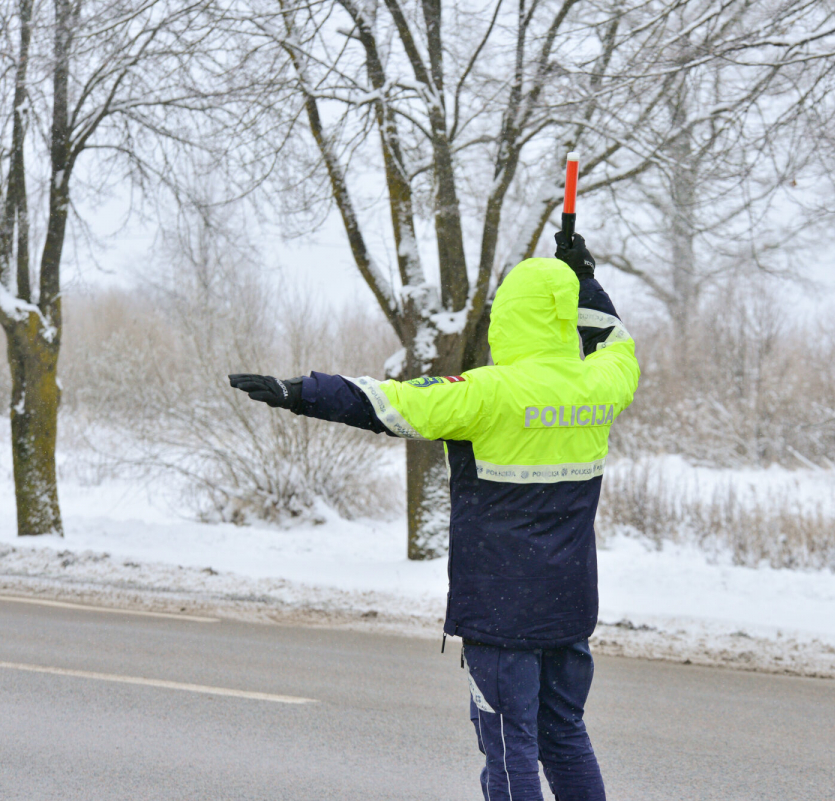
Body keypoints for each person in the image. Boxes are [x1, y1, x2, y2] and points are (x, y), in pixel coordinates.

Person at [229, 232, 639, 801]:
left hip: (501, 612)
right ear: (563, 317)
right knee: (564, 734)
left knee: (508, 745)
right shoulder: (603, 385)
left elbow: (388, 403)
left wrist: (298, 392)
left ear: (507, 320)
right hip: (569, 607)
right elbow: (616, 341)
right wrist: (584, 281)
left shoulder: (487, 393)